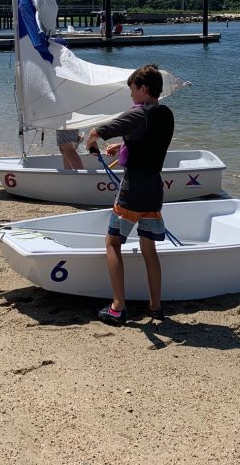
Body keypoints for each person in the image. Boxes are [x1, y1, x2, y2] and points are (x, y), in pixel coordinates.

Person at [85, 64, 174, 325]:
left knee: (112, 242)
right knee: (149, 247)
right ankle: (155, 307)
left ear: (144, 89)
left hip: (133, 189)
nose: (131, 95)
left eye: (133, 90)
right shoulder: (166, 114)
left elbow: (96, 132)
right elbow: (149, 139)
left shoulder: (138, 113)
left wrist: (91, 142)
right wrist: (124, 145)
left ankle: (117, 307)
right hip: (154, 190)